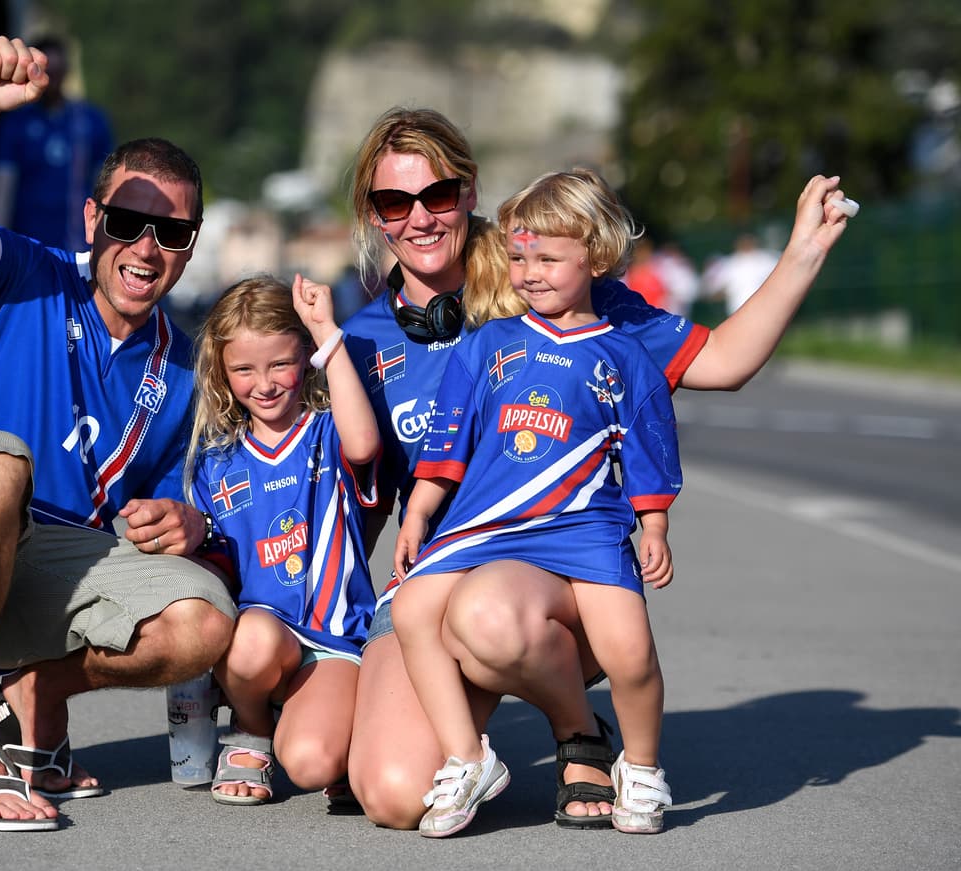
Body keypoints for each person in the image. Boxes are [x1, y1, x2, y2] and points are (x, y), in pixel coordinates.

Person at [339, 106, 854, 831]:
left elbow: (726, 360)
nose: (419, 218)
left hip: (544, 575)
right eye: (395, 202)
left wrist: (801, 250)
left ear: (470, 191)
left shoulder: (564, 281)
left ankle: (577, 729)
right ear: (373, 214)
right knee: (391, 792)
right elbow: (341, 505)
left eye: (438, 195)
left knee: (489, 615)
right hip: (439, 567)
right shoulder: (357, 340)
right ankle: (470, 738)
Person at [0, 36, 236, 832]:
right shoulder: (23, 272)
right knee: (0, 462)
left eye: (171, 234)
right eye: (130, 222)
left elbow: (168, 521)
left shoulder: (182, 372)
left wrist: (191, 521)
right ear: (93, 217)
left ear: (190, 246)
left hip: (38, 586)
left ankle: (37, 691)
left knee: (204, 620)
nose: (146, 249)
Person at [390, 169, 681, 837]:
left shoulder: (625, 357)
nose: (529, 272)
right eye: (519, 256)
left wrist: (657, 524)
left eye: (547, 257)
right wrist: (418, 512)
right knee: (411, 607)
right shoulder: (487, 343)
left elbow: (648, 454)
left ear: (596, 256)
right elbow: (446, 441)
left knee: (630, 651)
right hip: (485, 526)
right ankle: (468, 756)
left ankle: (640, 766)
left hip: (584, 527)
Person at [185, 274, 380, 805]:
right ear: (222, 374)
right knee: (253, 639)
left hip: (331, 640)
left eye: (281, 364)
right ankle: (250, 728)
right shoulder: (213, 463)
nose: (265, 383)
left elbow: (363, 444)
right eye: (244, 369)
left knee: (315, 763)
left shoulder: (325, 430)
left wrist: (325, 330)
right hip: (258, 643)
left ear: (305, 358)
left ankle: (315, 718)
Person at [0, 34, 115, 250]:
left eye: (57, 72)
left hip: (77, 245)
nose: (51, 80)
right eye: (47, 72)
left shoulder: (90, 121)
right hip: (28, 245)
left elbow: (106, 186)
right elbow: (2, 188)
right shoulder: (15, 122)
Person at [702, 232, 782, 317]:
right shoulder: (729, 263)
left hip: (766, 306)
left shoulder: (767, 258)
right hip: (738, 308)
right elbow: (715, 289)